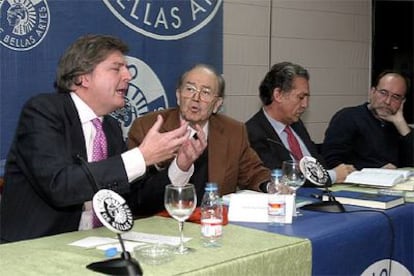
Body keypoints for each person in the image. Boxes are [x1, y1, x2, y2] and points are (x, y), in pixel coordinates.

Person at [0, 34, 190, 243]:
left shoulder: (111, 127)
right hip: (34, 248)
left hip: (97, 244)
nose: (128, 76)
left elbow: (134, 201)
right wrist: (141, 157)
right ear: (83, 77)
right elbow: (60, 186)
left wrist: (180, 166)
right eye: (116, 68)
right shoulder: (42, 112)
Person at [127, 64, 271, 216]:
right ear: (178, 95)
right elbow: (137, 195)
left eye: (206, 92)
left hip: (214, 223)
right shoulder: (148, 127)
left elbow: (253, 172)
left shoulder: (233, 131)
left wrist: (271, 185)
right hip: (164, 222)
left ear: (217, 105)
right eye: (190, 89)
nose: (196, 98)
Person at [245, 62, 354, 186]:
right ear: (278, 95)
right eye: (301, 97)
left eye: (307, 98)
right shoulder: (253, 132)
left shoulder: (296, 125)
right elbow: (283, 179)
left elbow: (318, 163)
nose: (305, 105)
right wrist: (333, 175)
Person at [322, 71, 413, 170]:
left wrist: (401, 125)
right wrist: (376, 171)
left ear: (402, 102)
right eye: (383, 93)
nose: (387, 101)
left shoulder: (398, 126)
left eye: (396, 97)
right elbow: (331, 161)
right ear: (372, 92)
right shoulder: (348, 117)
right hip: (356, 182)